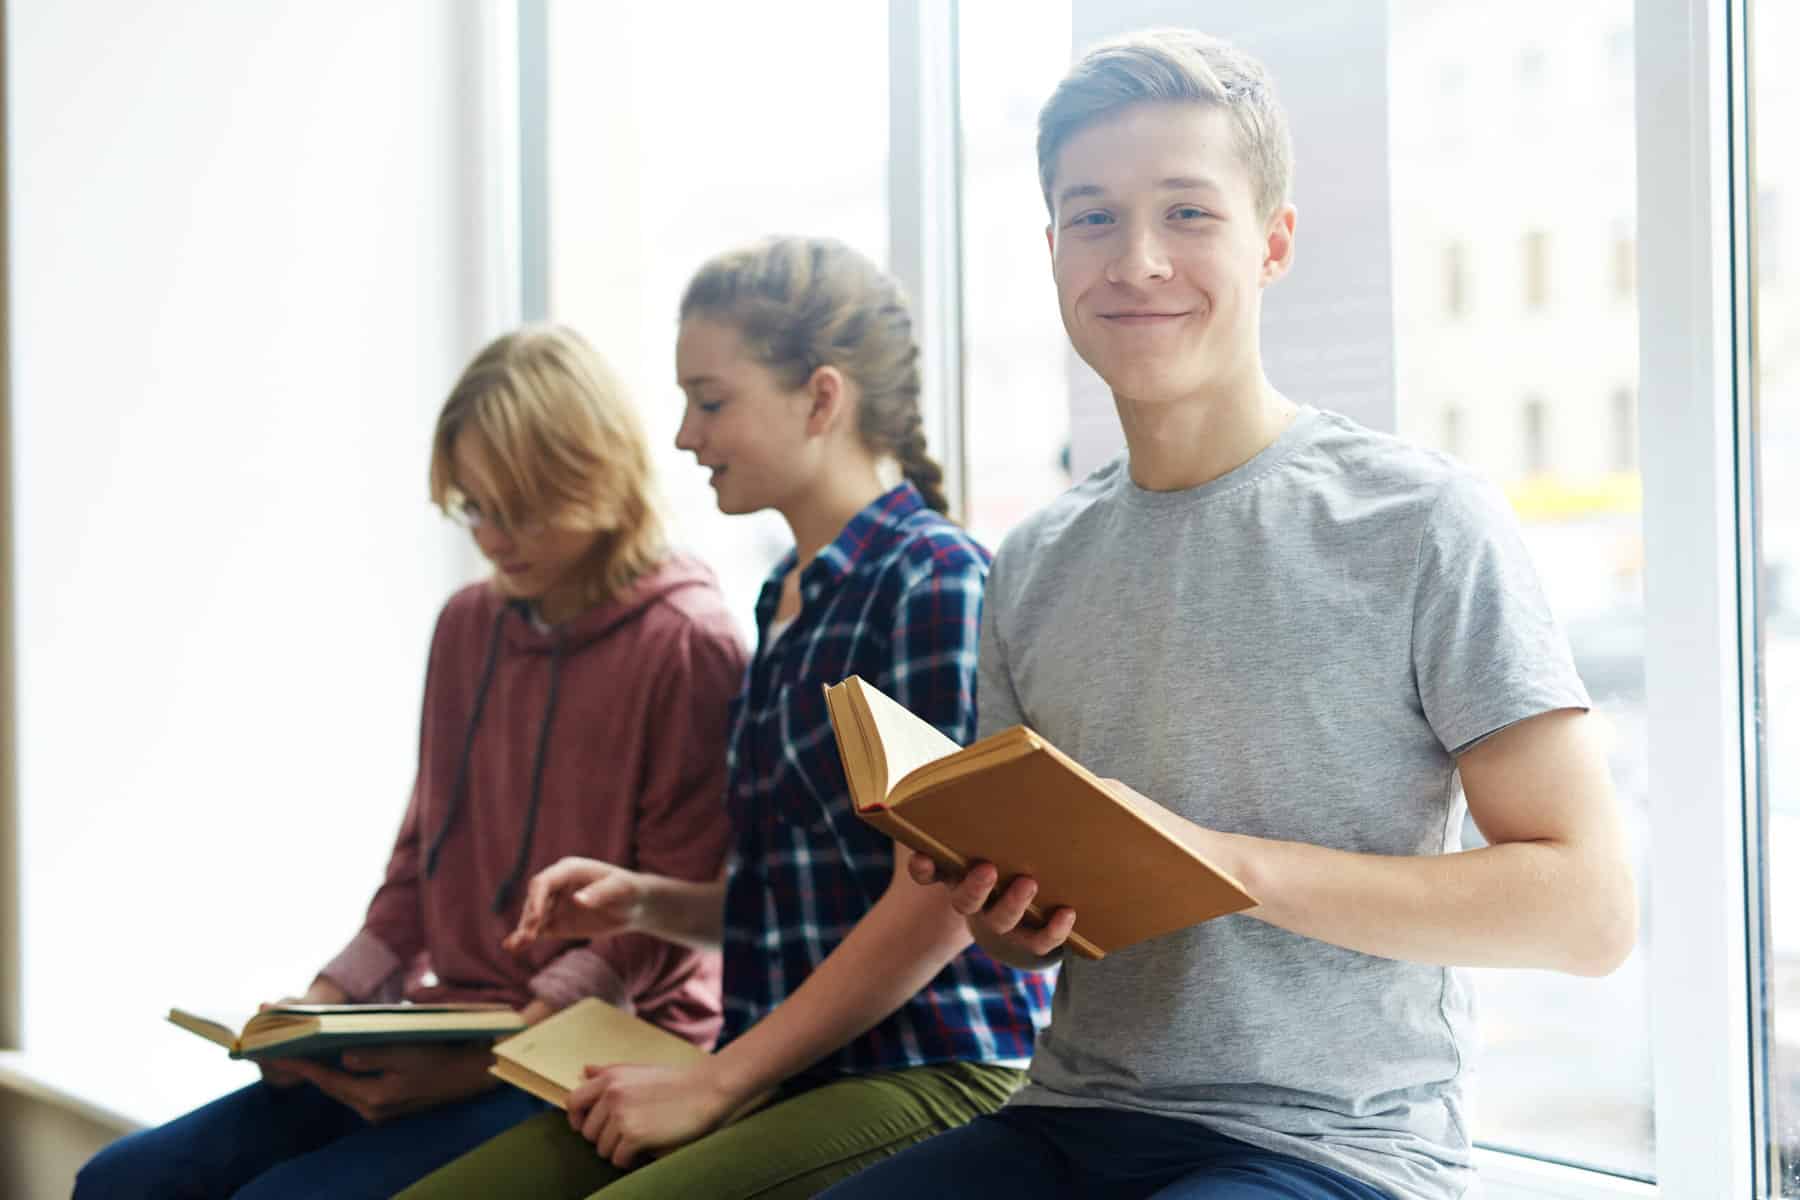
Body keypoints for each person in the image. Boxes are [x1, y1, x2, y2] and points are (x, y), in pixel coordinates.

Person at [821, 29, 1637, 1200]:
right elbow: (1023, 934)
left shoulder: (1422, 520)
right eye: (1094, 218)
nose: (1138, 260)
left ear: (1274, 244)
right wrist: (1010, 914)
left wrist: (1223, 863)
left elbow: (1588, 910)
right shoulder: (1038, 559)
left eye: (1189, 214)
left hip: (1332, 1146)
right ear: (1054, 251)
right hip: (1071, 1119)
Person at [397, 236, 1054, 1200]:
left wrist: (718, 1081)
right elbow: (810, 900)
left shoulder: (934, 580)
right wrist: (647, 900)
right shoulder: (786, 596)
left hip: (929, 1067)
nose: (683, 438)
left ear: (822, 399)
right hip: (792, 1067)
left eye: (710, 402)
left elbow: (938, 908)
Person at [74, 326, 745, 1200]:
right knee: (124, 1181)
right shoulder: (468, 625)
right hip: (449, 1028)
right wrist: (315, 1008)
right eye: (473, 507)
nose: (493, 538)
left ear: (597, 472)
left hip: (599, 1052)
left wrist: (487, 1065)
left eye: (518, 505)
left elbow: (657, 932)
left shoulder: (689, 643)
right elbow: (418, 867)